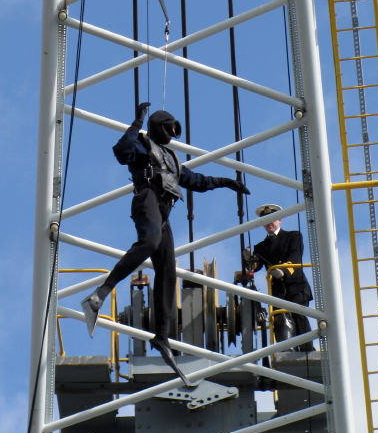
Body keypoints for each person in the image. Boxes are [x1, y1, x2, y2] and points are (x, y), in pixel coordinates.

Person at [81, 102, 250, 385]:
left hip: (164, 211)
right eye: (170, 128)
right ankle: (99, 295)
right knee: (149, 243)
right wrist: (137, 122)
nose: (173, 134)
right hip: (147, 198)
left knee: (168, 272)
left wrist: (226, 182)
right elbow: (121, 151)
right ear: (159, 127)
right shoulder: (142, 147)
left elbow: (196, 180)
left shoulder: (171, 158)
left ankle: (162, 336)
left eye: (175, 130)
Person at [249, 203, 314, 351]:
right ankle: (286, 351)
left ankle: (307, 350)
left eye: (273, 219)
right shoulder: (260, 247)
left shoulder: (293, 236)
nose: (269, 223)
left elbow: (295, 257)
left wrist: (283, 271)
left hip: (296, 285)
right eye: (266, 220)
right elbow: (256, 266)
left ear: (280, 220)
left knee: (298, 315)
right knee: (281, 320)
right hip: (277, 291)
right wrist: (249, 260)